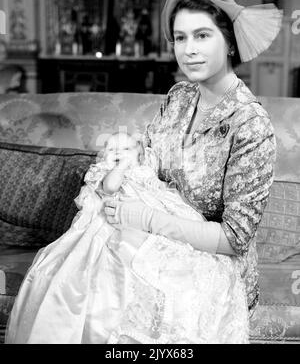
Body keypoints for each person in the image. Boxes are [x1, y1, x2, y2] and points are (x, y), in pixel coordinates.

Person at [103, 0, 282, 342]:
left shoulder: (250, 124)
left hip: (213, 268)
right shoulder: (181, 95)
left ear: (229, 42)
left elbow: (234, 239)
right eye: (180, 38)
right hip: (159, 247)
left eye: (202, 35)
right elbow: (151, 158)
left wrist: (146, 217)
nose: (189, 50)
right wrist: (126, 160)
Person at [5, 131, 248, 344]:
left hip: (143, 219)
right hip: (113, 222)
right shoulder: (107, 172)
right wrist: (118, 167)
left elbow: (160, 192)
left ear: (139, 154)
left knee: (177, 254)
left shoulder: (144, 172)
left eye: (126, 149)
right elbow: (110, 188)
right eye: (112, 148)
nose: (118, 152)